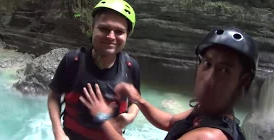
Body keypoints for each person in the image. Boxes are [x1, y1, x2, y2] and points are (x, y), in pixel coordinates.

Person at [80, 27, 258, 140]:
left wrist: (101, 119)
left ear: (244, 80)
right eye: (208, 64)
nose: (210, 78)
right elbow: (170, 122)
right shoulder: (208, 113)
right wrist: (138, 100)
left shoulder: (209, 136)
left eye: (225, 70)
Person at [48, 0, 141, 140]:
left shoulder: (131, 67)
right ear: (92, 28)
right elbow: (54, 97)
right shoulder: (73, 61)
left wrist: (131, 116)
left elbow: (135, 101)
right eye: (104, 29)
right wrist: (58, 132)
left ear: (127, 35)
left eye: (119, 31)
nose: (111, 36)